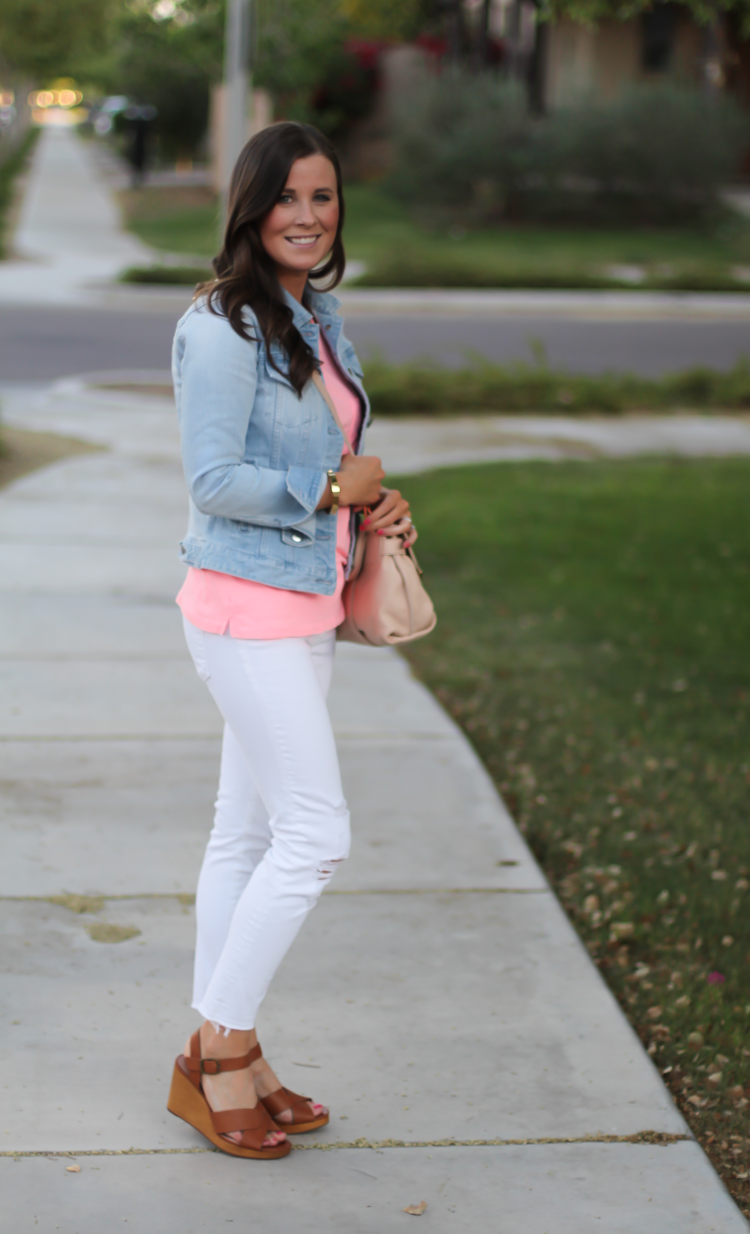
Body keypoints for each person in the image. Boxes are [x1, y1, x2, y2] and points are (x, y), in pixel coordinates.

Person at [165, 121, 417, 1160]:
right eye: (286, 198)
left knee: (247, 831)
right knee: (314, 835)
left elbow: (337, 455)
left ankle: (236, 1048)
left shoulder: (314, 315)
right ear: (250, 206)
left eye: (323, 196)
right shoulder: (221, 328)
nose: (307, 216)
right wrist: (323, 490)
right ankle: (214, 1050)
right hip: (243, 608)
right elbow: (213, 479)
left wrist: (371, 502)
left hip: (300, 604)